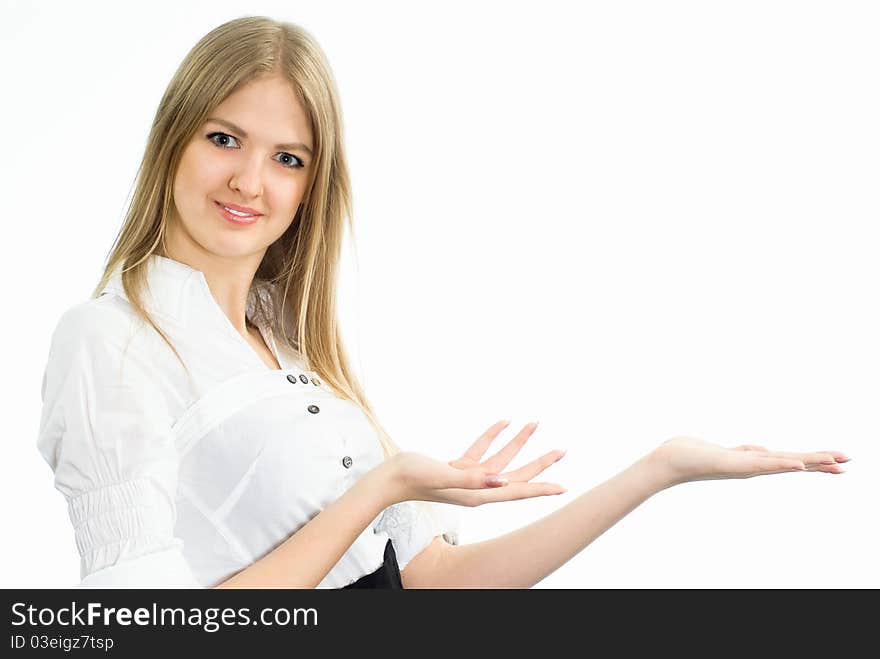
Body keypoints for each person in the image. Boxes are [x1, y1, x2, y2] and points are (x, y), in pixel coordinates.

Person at [36, 16, 849, 590]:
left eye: (286, 157)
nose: (251, 180)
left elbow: (437, 584)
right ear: (171, 138)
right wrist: (380, 487)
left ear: (311, 186)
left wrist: (659, 469)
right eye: (224, 138)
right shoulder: (108, 341)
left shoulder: (291, 345)